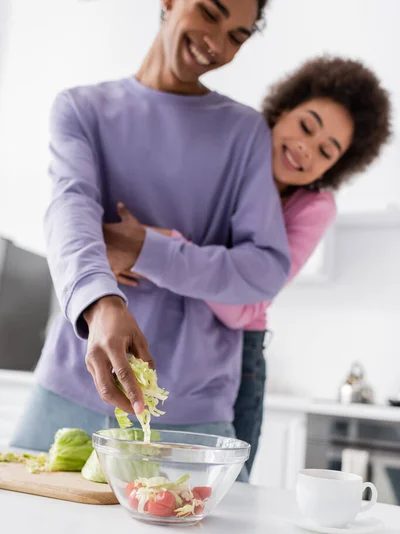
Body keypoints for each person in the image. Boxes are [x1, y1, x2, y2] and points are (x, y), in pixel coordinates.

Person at [11, 0, 290, 470]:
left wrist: (146, 250)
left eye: (238, 36)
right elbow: (70, 211)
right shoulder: (81, 109)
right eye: (209, 12)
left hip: (192, 414)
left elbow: (264, 270)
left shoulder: (244, 132)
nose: (216, 43)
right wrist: (103, 303)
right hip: (70, 389)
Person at [106, 56, 391, 475]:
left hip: (240, 358)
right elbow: (132, 230)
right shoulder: (224, 154)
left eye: (327, 151)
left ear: (337, 165)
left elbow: (244, 308)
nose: (306, 149)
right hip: (165, 332)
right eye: (306, 126)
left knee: (227, 483)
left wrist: (162, 249)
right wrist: (149, 253)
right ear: (280, 111)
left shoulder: (314, 207)